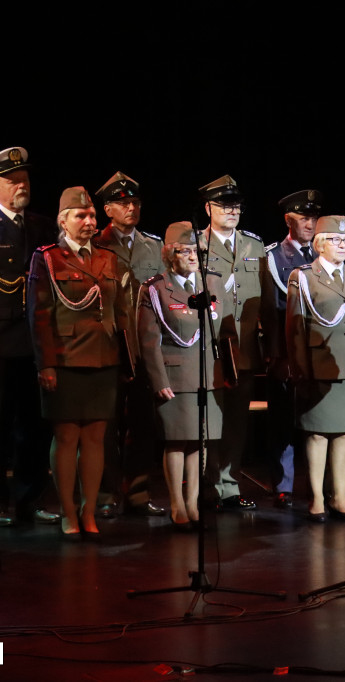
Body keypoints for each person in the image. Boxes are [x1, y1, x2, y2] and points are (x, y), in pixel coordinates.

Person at [27, 187, 124, 537]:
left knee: (97, 437)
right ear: (63, 220)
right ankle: (68, 511)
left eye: (92, 216)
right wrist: (46, 365)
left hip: (103, 358)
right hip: (65, 360)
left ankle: (89, 511)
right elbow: (39, 316)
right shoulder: (48, 257)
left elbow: (118, 311)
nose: (89, 221)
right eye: (81, 216)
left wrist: (126, 358)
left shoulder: (107, 258)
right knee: (67, 437)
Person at [0, 146, 59, 526]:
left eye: (25, 180)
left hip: (35, 345)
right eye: (13, 181)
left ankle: (30, 500)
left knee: (35, 429)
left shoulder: (42, 227)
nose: (22, 186)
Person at [137, 222, 226, 529]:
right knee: (176, 441)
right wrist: (158, 380)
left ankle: (193, 502)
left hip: (206, 375)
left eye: (196, 251)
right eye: (185, 251)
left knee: (199, 441)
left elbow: (220, 328)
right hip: (175, 375)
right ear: (169, 254)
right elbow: (149, 341)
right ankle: (176, 503)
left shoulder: (211, 283)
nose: (192, 257)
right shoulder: (156, 287)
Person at [92, 171, 166, 518]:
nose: (131, 208)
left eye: (135, 202)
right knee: (106, 427)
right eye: (123, 203)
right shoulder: (96, 244)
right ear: (108, 209)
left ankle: (137, 493)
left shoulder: (154, 245)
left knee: (143, 424)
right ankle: (106, 494)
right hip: (109, 345)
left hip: (144, 347)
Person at [198, 175, 268, 511]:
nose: (232, 210)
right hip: (210, 350)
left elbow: (265, 301)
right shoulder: (196, 246)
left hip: (244, 351)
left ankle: (229, 484)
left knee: (237, 422)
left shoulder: (254, 246)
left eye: (236, 205)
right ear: (208, 207)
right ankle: (207, 483)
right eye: (225, 205)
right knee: (210, 421)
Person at [286, 215, 345, 522]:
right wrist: (301, 370)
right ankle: (317, 497)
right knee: (317, 434)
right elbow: (295, 329)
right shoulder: (302, 276)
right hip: (319, 365)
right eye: (334, 239)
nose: (342, 245)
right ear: (318, 244)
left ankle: (340, 497)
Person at [264, 189, 323, 509]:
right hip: (289, 352)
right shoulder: (274, 256)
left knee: (321, 422)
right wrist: (279, 356)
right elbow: (273, 311)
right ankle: (283, 484)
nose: (310, 224)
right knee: (283, 422)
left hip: (321, 353)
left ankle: (320, 486)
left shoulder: (325, 252)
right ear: (289, 220)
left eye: (314, 218)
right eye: (304, 218)